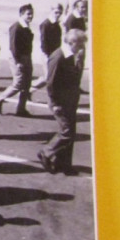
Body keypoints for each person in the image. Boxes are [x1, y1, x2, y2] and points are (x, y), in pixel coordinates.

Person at [38, 29, 87, 176]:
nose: (82, 47)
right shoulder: (58, 56)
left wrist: (79, 60)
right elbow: (51, 82)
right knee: (66, 132)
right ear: (72, 42)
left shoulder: (72, 55)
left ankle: (64, 164)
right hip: (60, 101)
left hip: (70, 100)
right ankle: (46, 152)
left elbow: (75, 77)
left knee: (71, 132)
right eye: (80, 44)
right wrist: (55, 103)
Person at [0, 4, 34, 117]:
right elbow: (13, 47)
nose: (31, 16)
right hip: (17, 58)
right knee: (18, 83)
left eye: (32, 14)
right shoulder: (16, 27)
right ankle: (0, 98)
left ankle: (21, 109)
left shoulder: (26, 26)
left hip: (27, 57)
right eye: (28, 14)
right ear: (21, 14)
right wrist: (18, 62)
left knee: (26, 84)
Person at [32, 3, 64, 92]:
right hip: (47, 54)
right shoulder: (45, 24)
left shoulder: (57, 25)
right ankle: (31, 87)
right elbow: (43, 41)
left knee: (51, 76)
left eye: (60, 13)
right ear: (51, 11)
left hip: (54, 53)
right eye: (56, 12)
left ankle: (30, 90)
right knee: (48, 77)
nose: (58, 15)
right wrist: (47, 54)